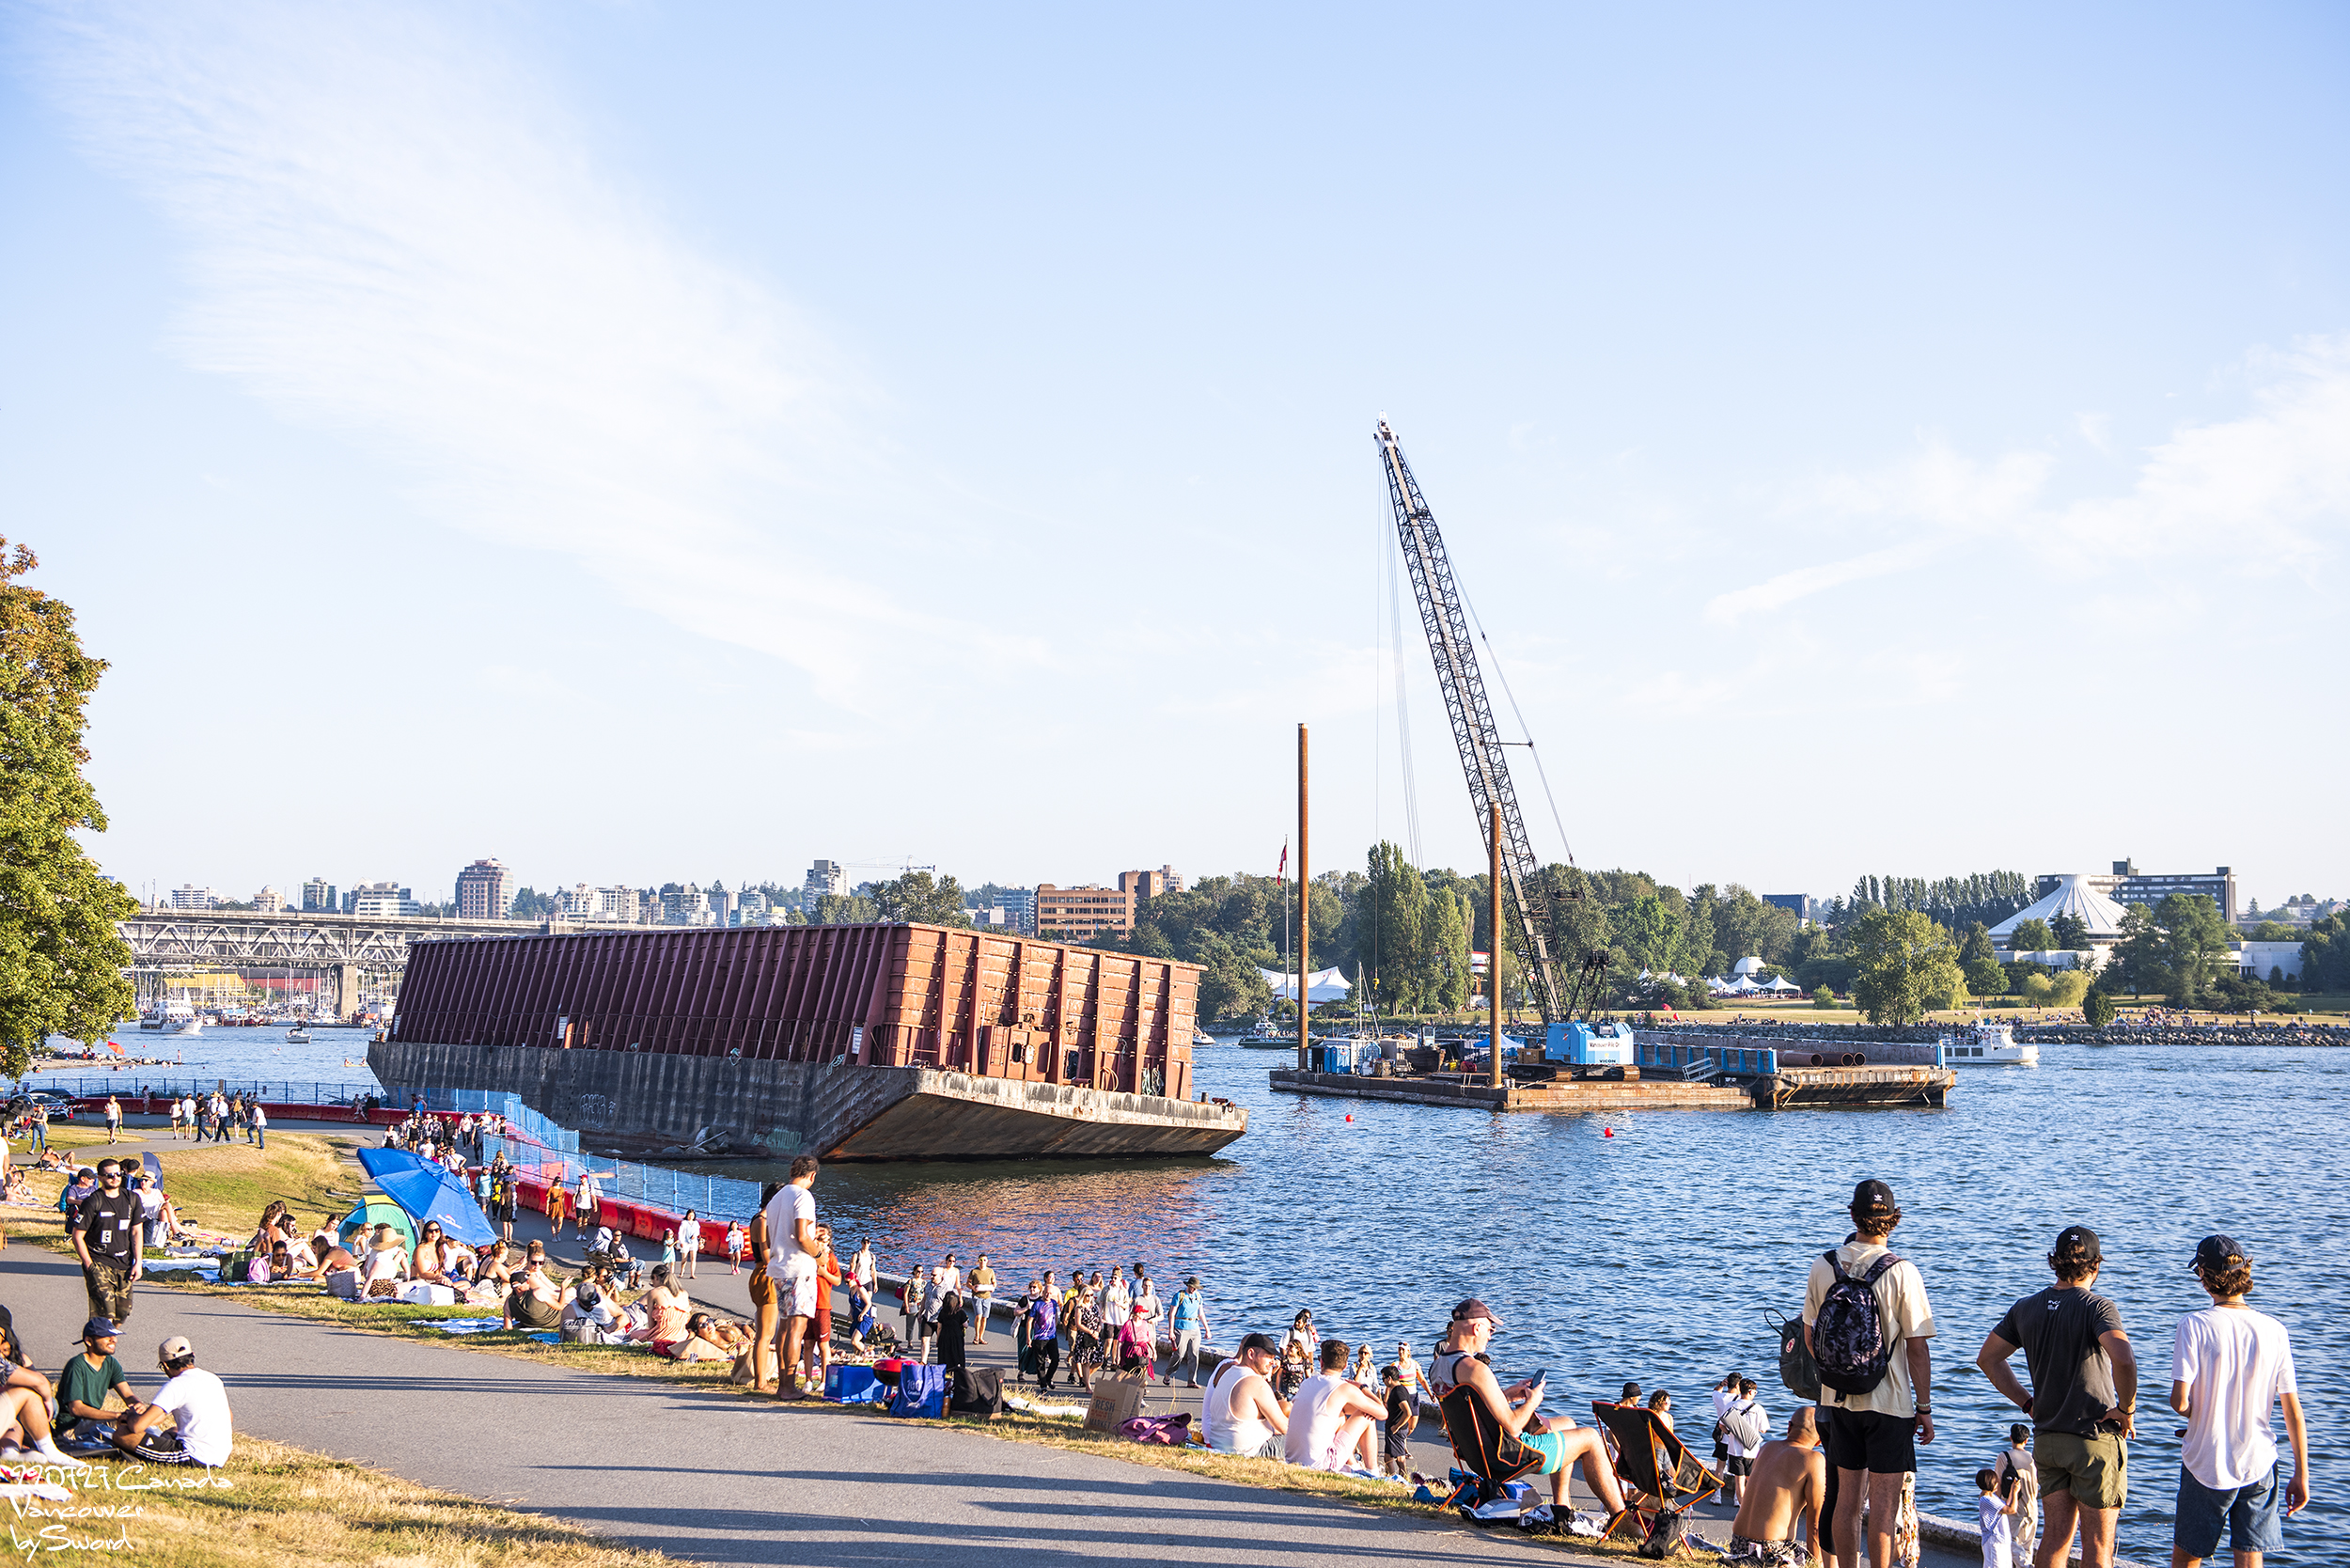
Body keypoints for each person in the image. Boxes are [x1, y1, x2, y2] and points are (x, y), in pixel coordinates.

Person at [1975, 1225, 2135, 1568]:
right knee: (2098, 1545)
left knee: (2056, 1537)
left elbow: (1987, 1359)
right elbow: (2123, 1359)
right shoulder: (2097, 1307)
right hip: (2092, 1439)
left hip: (2047, 1440)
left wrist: (2027, 1403)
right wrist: (2126, 1409)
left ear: (2055, 1262)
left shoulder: (2026, 1308)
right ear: (2096, 1265)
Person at [1804, 1180, 1936, 1568]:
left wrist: (1838, 1372)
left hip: (1838, 1400)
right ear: (1893, 1220)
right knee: (1882, 1508)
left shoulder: (1824, 1265)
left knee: (1846, 1501)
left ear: (1853, 1215)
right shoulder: (1903, 1272)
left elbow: (1810, 1336)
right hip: (1890, 1405)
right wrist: (1924, 1408)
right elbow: (1917, 1348)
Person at [2169, 1233, 2308, 1568]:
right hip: (2259, 1460)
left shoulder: (2194, 1325)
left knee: (2188, 1555)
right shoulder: (2275, 1329)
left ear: (2204, 1275)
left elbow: (2179, 1401)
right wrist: (2301, 1474)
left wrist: (2197, 1417)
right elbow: (2292, 1411)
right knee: (2249, 1556)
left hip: (2207, 1460)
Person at [1432, 1298, 1625, 1518]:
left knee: (1568, 1424)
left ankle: (1562, 1507)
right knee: (1591, 1438)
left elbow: (1472, 1407)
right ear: (1477, 1328)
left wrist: (1506, 1395)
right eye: (1490, 1329)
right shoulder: (1476, 1369)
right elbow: (1513, 1426)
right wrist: (1533, 1401)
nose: (1491, 1335)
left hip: (1477, 1455)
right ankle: (1620, 1518)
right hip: (1505, 1457)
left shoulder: (1438, 1366)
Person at [1725, 1406, 1828, 1568]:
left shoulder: (1767, 1447)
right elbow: (1815, 1524)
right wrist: (1817, 1564)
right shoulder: (1814, 1460)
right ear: (1820, 1440)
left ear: (1789, 1427)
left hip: (1738, 1543)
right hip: (1770, 1549)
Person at [109, 1336, 231, 1467]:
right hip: (220, 1456)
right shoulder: (213, 1379)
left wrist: (131, 1415)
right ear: (192, 1356)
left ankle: (152, 1457)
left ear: (165, 1365)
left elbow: (137, 1426)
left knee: (122, 1434)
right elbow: (229, 1416)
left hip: (195, 1456)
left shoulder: (176, 1384)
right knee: (171, 1431)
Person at [762, 1154, 822, 1399]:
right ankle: (788, 1387)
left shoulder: (776, 1199)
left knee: (785, 1328)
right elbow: (802, 1235)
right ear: (812, 1176)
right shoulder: (803, 1196)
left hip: (779, 1268)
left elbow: (770, 1235)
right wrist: (818, 1254)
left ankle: (783, 1384)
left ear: (792, 1172)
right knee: (798, 1328)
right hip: (799, 1269)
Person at [1286, 1338, 1386, 1472]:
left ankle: (1353, 1465)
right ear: (1345, 1366)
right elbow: (1382, 1413)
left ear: (1321, 1362)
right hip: (1320, 1465)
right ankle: (1373, 1471)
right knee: (1366, 1414)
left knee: (1340, 1415)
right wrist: (1363, 1388)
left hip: (1292, 1459)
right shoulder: (1344, 1388)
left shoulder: (1306, 1383)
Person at [69, 1158, 142, 1326]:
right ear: (100, 1178)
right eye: (110, 1175)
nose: (115, 1178)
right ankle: (99, 1343)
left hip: (124, 1264)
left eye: (118, 1174)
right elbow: (77, 1235)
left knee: (122, 1313)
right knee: (104, 1314)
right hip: (99, 1263)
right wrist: (89, 1265)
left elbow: (137, 1231)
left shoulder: (132, 1199)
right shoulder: (93, 1202)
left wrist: (138, 1262)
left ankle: (102, 1340)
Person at [56, 1318, 141, 1450]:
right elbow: (76, 1409)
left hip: (93, 1423)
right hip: (72, 1429)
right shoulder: (76, 1365)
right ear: (89, 1341)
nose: (114, 1340)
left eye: (114, 1336)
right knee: (124, 1429)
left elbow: (128, 1395)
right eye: (106, 1337)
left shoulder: (111, 1363)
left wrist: (137, 1405)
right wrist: (117, 1416)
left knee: (140, 1423)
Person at [1203, 1333, 1289, 1458]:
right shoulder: (1255, 1382)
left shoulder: (1228, 1374)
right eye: (1268, 1357)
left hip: (1218, 1445)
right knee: (1303, 1436)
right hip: (1250, 1451)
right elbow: (1284, 1427)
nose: (1272, 1362)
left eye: (1273, 1358)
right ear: (1251, 1354)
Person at [746, 1183, 780, 1392]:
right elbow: (767, 1256)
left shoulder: (762, 1219)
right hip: (766, 1274)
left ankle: (764, 1377)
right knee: (765, 1334)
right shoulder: (762, 1221)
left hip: (765, 1273)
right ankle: (760, 1381)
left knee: (767, 1332)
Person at [1994, 1424, 2039, 1565]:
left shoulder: (2004, 1457)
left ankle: (2027, 1567)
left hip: (2014, 1506)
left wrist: (1996, 1506)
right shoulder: (2033, 1459)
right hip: (2032, 1507)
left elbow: (1998, 1485)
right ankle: (2027, 1565)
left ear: (2011, 1438)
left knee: (2011, 1541)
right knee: (2027, 1547)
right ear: (2026, 1440)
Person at [1722, 1375, 1769, 1503]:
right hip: (1752, 1450)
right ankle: (1753, 1506)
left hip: (1734, 1449)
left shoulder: (1731, 1405)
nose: (1755, 1394)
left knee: (1739, 1481)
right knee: (1752, 1480)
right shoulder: (1758, 1409)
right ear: (1750, 1392)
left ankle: (1742, 1507)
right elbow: (1763, 1429)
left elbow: (1722, 1425)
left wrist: (1731, 1432)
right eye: (1755, 1392)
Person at [1167, 1275, 1209, 1387]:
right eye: (1192, 1287)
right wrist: (1171, 1331)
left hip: (1194, 1328)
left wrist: (1207, 1329)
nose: (1194, 1290)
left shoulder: (1198, 1297)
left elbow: (1201, 1314)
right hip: (1181, 1328)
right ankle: (1168, 1373)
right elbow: (1172, 1314)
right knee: (1179, 1354)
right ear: (1188, 1286)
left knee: (1194, 1355)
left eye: (1196, 1288)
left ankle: (1192, 1381)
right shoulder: (1179, 1296)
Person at [1026, 1278, 1061, 1393]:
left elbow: (1055, 1317)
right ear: (1043, 1292)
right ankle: (1043, 1385)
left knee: (1055, 1359)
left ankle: (1048, 1378)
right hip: (1039, 1337)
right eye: (1046, 1293)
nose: (1047, 1295)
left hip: (1051, 1337)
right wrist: (1028, 1337)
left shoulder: (1054, 1303)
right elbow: (1030, 1321)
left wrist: (1055, 1328)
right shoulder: (1037, 1304)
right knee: (1040, 1362)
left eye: (1050, 1293)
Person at [1978, 1467, 2018, 1568]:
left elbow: (2005, 1506)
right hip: (1994, 1541)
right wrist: (2015, 1493)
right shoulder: (1986, 1500)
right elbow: (2011, 1510)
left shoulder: (1992, 1497)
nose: (1998, 1484)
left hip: (2001, 1540)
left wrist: (2012, 1490)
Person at [1380, 1365, 1416, 1478]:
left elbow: (1408, 1412)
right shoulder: (1400, 1389)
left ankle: (1400, 1478)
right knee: (1389, 1457)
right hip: (1395, 1427)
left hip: (1396, 1429)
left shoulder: (1398, 1392)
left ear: (1389, 1378)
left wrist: (1396, 1427)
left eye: (1383, 1379)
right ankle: (1393, 1477)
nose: (1383, 1381)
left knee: (1399, 1459)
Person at [968, 1254, 996, 1345]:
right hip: (977, 1296)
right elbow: (968, 1283)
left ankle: (981, 1337)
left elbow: (994, 1282)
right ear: (978, 1261)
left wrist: (993, 1287)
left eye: (984, 1260)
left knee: (984, 1318)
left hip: (987, 1297)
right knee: (978, 1316)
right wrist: (973, 1287)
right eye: (981, 1260)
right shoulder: (974, 1271)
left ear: (987, 1261)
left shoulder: (990, 1271)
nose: (982, 1262)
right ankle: (976, 1336)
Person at [679, 1210, 701, 1278]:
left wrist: (695, 1235)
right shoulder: (684, 1223)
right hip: (685, 1242)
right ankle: (682, 1271)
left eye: (692, 1215)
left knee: (693, 1258)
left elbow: (698, 1231)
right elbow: (680, 1232)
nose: (690, 1217)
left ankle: (692, 1274)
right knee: (684, 1258)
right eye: (689, 1215)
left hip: (693, 1242)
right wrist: (681, 1242)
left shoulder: (696, 1223)